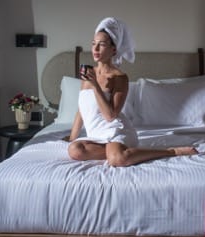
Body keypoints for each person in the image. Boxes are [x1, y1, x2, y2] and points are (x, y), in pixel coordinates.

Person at [67, 17, 197, 167]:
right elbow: (82, 109)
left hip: (114, 130)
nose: (95, 49)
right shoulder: (89, 74)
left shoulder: (119, 77)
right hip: (96, 135)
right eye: (93, 44)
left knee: (118, 160)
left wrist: (95, 86)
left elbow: (110, 116)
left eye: (101, 44)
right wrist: (71, 138)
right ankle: (113, 151)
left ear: (114, 49)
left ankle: (171, 151)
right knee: (75, 150)